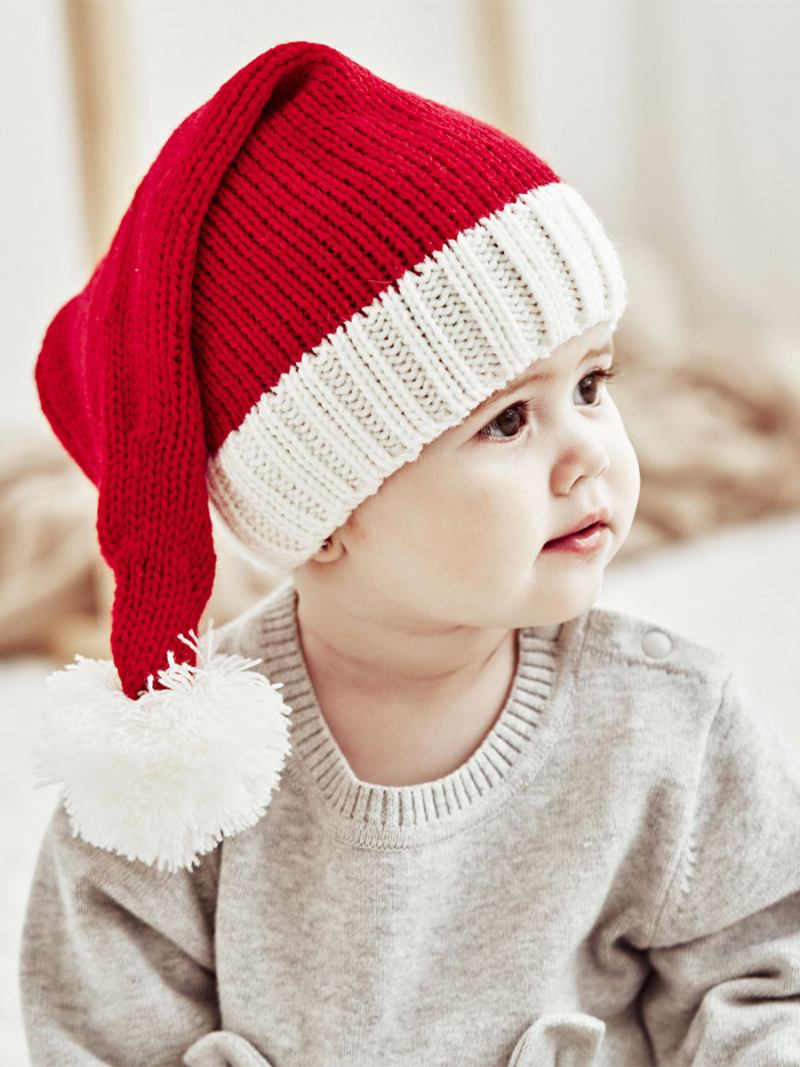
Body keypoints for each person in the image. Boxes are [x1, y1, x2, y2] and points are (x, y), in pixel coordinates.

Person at [17, 39, 800, 1067]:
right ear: (326, 510)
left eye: (593, 384)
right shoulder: (182, 783)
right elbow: (98, 1033)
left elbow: (763, 977)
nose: (588, 456)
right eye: (507, 421)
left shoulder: (665, 722)